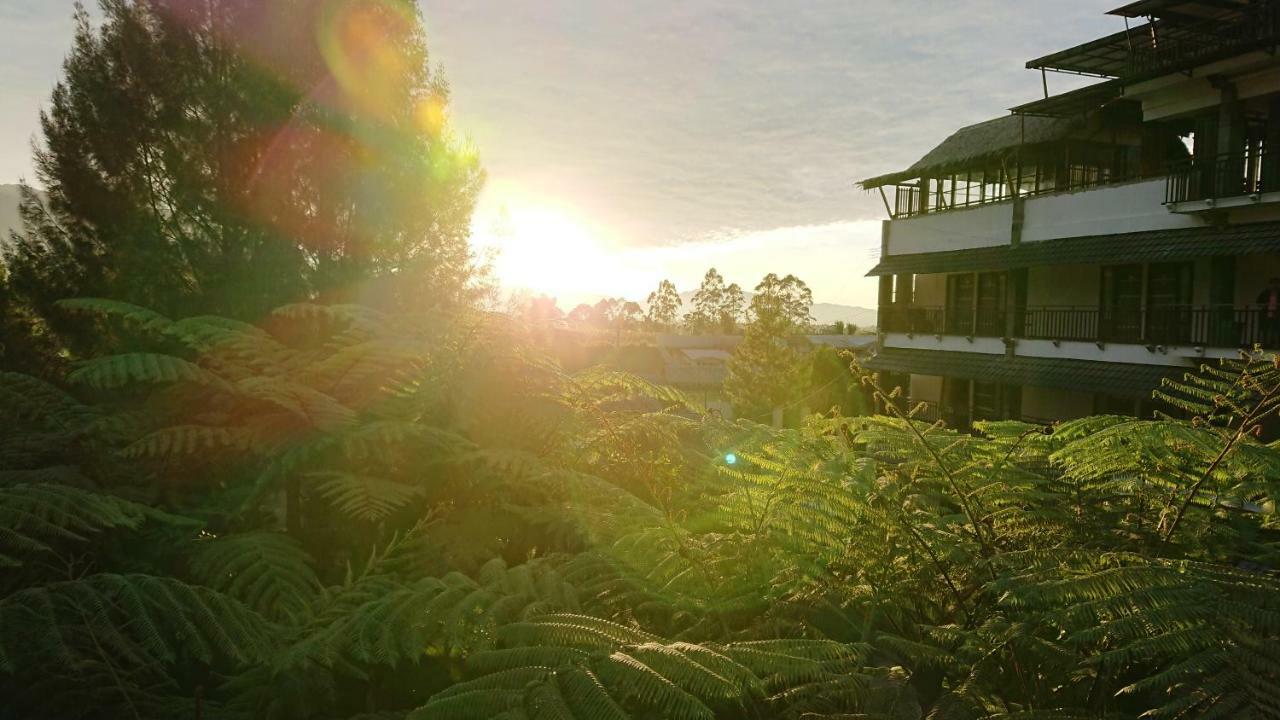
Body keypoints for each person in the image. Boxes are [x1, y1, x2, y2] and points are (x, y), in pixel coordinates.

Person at [1257, 277, 1280, 348]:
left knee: (1276, 329)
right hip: (1266, 313)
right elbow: (1258, 301)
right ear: (1270, 284)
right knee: (1265, 329)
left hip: (1277, 313)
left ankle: (1276, 344)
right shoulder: (1265, 293)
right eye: (1273, 283)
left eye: (1276, 283)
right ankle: (1265, 344)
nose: (1275, 285)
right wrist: (1265, 304)